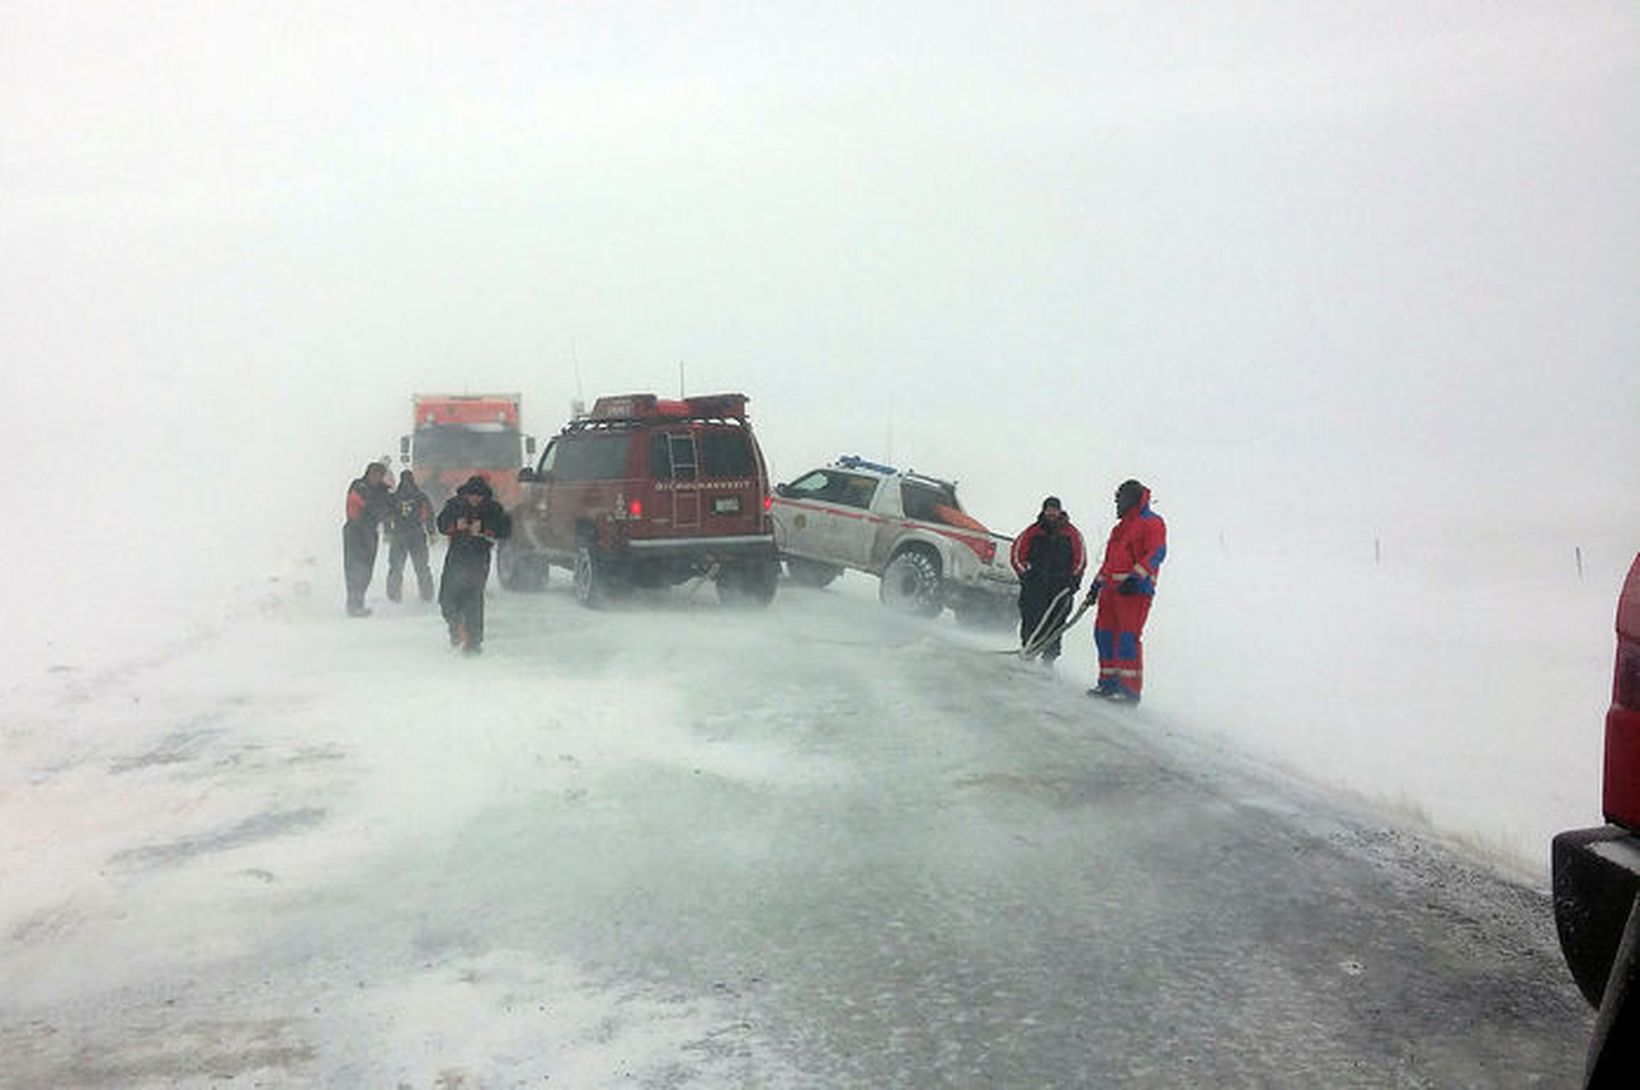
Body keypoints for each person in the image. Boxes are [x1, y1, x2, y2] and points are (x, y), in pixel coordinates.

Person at [1084, 479, 1167, 704]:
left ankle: (1129, 691)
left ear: (1131, 499)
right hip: (1111, 591)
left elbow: (1157, 552)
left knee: (1126, 639)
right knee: (1104, 635)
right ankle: (1108, 684)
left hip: (1134, 592)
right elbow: (1110, 561)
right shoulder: (1120, 528)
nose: (1117, 504)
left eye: (1120, 499)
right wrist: (1096, 585)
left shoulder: (1152, 523)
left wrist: (1136, 577)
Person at [436, 475, 511, 654]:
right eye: (472, 495)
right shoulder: (454, 505)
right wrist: (455, 525)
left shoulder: (493, 508)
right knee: (447, 598)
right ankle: (456, 625)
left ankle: (474, 642)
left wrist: (485, 527)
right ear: (465, 494)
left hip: (479, 557)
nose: (475, 499)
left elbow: (505, 529)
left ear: (485, 496)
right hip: (456, 555)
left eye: (479, 496)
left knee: (473, 599)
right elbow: (441, 523)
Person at [1009, 496, 1086, 667]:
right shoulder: (1033, 531)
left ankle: (1049, 660)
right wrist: (1025, 575)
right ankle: (1028, 652)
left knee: (1056, 623)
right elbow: (1016, 554)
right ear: (1044, 511)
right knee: (1031, 618)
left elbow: (1080, 560)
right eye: (1048, 509)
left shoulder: (1072, 534)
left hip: (1060, 586)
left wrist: (1073, 581)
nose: (1051, 513)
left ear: (1060, 511)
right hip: (1035, 584)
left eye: (1054, 509)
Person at [342, 461, 393, 617]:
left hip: (370, 532)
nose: (378, 478)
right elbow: (371, 506)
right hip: (355, 530)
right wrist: (386, 507)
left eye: (381, 475)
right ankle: (354, 605)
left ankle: (359, 602)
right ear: (369, 473)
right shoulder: (359, 487)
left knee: (366, 569)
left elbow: (387, 508)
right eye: (376, 474)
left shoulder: (380, 490)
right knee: (354, 568)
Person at [385, 469, 436, 603]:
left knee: (395, 567)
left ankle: (393, 596)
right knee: (422, 567)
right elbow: (429, 515)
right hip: (417, 535)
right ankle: (427, 595)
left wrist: (388, 531)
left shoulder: (394, 497)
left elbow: (387, 516)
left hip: (398, 535)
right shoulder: (420, 497)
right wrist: (431, 532)